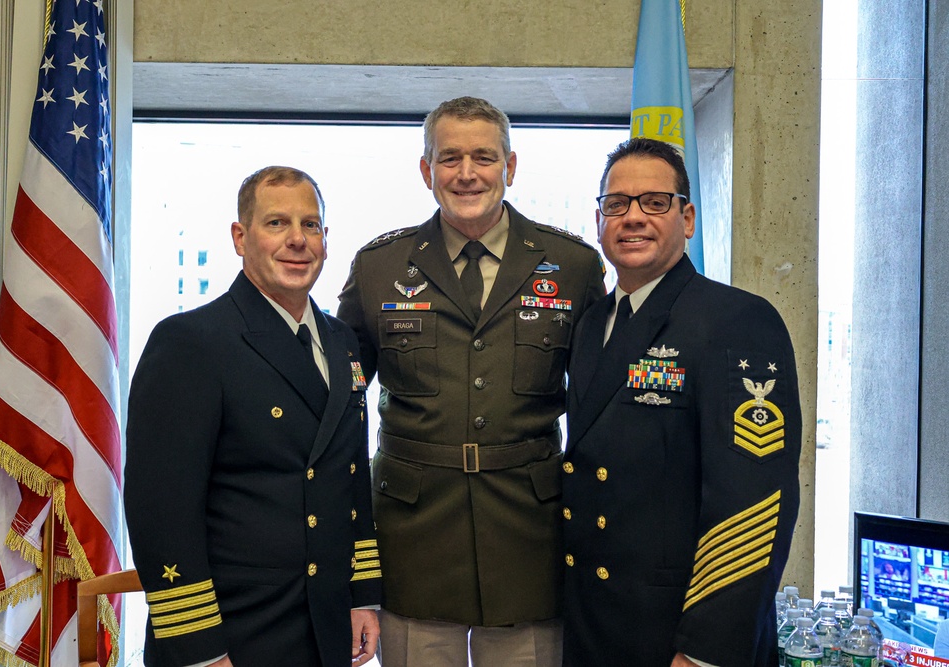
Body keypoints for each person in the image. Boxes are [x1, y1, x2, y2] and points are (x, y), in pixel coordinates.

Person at [336, 96, 606, 666]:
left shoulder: (574, 265)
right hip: (413, 535)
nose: (466, 173)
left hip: (528, 537)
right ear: (426, 170)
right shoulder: (379, 267)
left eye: (483, 157)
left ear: (509, 167)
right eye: (449, 157)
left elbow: (602, 410)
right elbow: (338, 400)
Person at [124, 166, 382, 667]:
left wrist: (362, 594)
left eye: (310, 226)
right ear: (240, 238)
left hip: (325, 623)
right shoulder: (190, 342)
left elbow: (351, 479)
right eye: (276, 224)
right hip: (233, 632)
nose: (297, 241)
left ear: (326, 241)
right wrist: (199, 650)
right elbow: (162, 511)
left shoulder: (341, 340)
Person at [562, 137, 801, 667]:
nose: (633, 218)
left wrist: (706, 650)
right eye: (616, 204)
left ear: (687, 218)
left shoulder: (736, 320)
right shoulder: (590, 327)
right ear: (599, 218)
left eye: (655, 202)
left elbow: (752, 503)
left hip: (677, 634)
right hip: (593, 624)